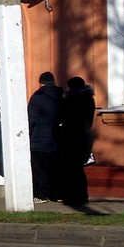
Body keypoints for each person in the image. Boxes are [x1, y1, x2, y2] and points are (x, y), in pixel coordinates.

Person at [59, 76, 96, 207]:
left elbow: (66, 116)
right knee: (77, 169)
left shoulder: (73, 100)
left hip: (74, 138)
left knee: (73, 170)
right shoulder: (88, 98)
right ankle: (80, 196)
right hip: (83, 137)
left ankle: (76, 197)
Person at [28, 71, 63, 204]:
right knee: (56, 169)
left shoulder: (37, 97)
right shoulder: (61, 95)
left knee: (40, 169)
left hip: (39, 139)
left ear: (40, 83)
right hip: (56, 138)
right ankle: (57, 194)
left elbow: (32, 119)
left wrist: (30, 135)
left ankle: (42, 195)